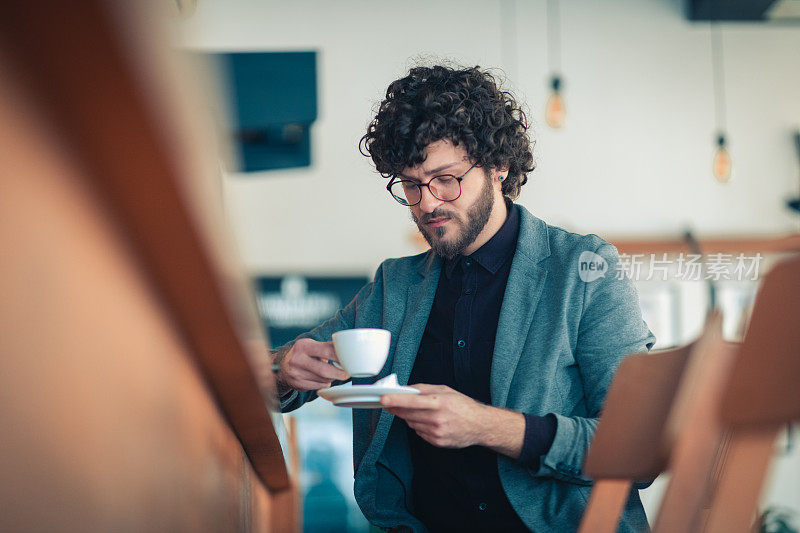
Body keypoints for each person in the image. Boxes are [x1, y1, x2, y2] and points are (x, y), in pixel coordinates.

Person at [272, 64, 655, 532]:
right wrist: (286, 367)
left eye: (446, 178)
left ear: (498, 166)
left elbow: (639, 448)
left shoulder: (583, 270)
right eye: (410, 185)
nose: (427, 203)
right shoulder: (395, 286)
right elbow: (286, 376)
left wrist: (488, 426)